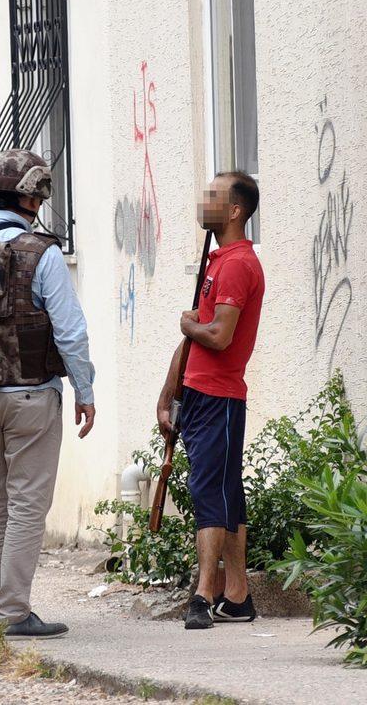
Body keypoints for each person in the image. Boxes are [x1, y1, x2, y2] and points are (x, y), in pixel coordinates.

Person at [0, 149, 96, 639]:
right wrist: (85, 390)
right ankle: (13, 610)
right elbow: (69, 332)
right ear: (34, 194)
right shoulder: (42, 252)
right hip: (33, 395)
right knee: (27, 503)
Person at [157, 171, 264, 630]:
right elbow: (196, 339)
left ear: (235, 210)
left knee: (209, 492)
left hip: (219, 396)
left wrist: (188, 325)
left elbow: (217, 336)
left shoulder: (239, 264)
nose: (204, 201)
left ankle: (204, 593)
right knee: (226, 493)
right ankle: (237, 596)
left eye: (214, 196)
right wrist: (168, 394)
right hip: (200, 393)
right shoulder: (217, 259)